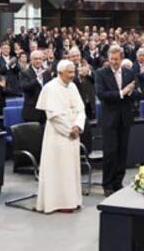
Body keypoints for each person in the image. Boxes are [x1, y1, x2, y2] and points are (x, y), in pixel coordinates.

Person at [35, 60, 86, 214]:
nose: (72, 75)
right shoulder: (50, 88)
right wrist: (69, 130)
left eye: (73, 72)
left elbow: (80, 109)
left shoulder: (73, 86)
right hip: (58, 134)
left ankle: (72, 200)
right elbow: (53, 115)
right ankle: (56, 202)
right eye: (69, 72)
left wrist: (78, 125)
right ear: (60, 72)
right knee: (58, 169)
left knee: (71, 169)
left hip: (74, 132)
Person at [95, 45, 139, 197]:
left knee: (122, 151)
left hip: (125, 117)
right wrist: (122, 93)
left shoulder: (129, 72)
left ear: (121, 58)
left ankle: (118, 182)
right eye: (111, 59)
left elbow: (135, 94)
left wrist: (133, 92)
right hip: (109, 119)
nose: (114, 62)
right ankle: (107, 184)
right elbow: (101, 94)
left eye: (117, 59)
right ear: (108, 58)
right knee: (110, 152)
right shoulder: (101, 73)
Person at [20, 50, 52, 123]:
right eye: (35, 59)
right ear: (31, 60)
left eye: (40, 59)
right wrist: (37, 79)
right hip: (31, 111)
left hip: (45, 111)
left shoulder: (46, 73)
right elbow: (24, 87)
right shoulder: (25, 73)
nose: (38, 61)